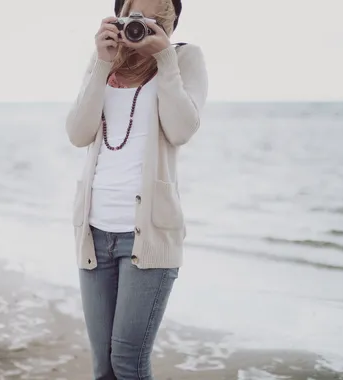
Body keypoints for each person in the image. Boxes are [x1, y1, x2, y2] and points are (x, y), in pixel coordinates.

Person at [65, 0, 208, 378]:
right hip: (94, 233)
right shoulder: (104, 61)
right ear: (119, 15)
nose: (142, 24)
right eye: (134, 16)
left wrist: (164, 60)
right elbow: (78, 133)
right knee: (103, 367)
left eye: (155, 17)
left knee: (128, 362)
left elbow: (181, 129)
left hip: (148, 236)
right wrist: (100, 61)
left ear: (171, 19)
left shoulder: (184, 58)